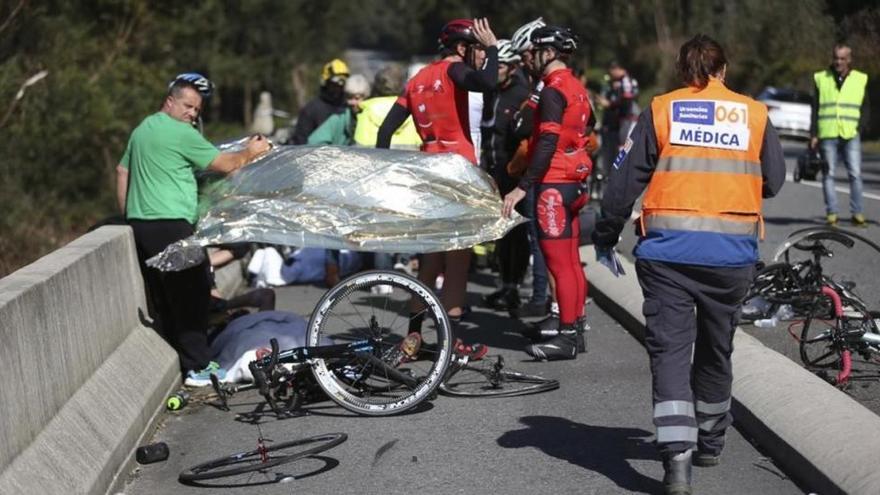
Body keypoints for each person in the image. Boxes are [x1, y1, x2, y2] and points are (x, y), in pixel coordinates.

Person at [592, 34, 785, 494]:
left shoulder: (661, 109)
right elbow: (774, 182)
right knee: (717, 350)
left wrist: (604, 235)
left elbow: (621, 184)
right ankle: (712, 442)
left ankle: (677, 463)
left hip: (667, 257)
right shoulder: (754, 114)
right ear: (724, 69)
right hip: (731, 259)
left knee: (671, 357)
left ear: (684, 70)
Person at [116, 74, 270, 386]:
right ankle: (198, 367)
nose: (192, 114)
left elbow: (122, 171)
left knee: (170, 296)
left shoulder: (143, 129)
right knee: (191, 295)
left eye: (197, 110)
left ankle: (191, 359)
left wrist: (127, 215)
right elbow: (225, 164)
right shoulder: (180, 133)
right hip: (171, 224)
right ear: (169, 101)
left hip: (144, 223)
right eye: (188, 106)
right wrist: (252, 152)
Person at [377, 18, 498, 357]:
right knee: (458, 260)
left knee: (431, 258)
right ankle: (454, 341)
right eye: (472, 48)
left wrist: (385, 173)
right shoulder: (454, 71)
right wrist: (492, 49)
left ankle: (413, 336)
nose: (476, 55)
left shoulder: (417, 79)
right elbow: (488, 82)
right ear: (462, 48)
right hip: (457, 173)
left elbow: (385, 131)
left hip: (428, 172)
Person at [501, 25, 593, 361]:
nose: (532, 56)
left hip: (555, 185)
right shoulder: (577, 87)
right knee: (570, 261)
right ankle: (576, 328)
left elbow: (548, 140)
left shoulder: (553, 89)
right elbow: (590, 125)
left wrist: (523, 187)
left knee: (559, 265)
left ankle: (566, 336)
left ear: (548, 52)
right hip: (575, 182)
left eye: (536, 50)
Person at [479, 39, 532, 316]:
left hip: (515, 174)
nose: (494, 70)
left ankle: (513, 287)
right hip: (494, 170)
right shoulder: (491, 91)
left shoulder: (521, 93)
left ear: (512, 68)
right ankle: (505, 283)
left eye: (498, 65)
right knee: (502, 234)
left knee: (516, 234)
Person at [507, 17, 554, 322]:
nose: (524, 62)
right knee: (540, 238)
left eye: (526, 55)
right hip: (540, 167)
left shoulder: (544, 84)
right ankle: (548, 303)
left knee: (544, 239)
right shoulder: (537, 82)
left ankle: (544, 301)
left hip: (545, 171)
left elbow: (522, 124)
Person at [810, 42, 870, 227]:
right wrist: (813, 133)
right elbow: (815, 107)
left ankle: (857, 214)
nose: (838, 62)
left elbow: (866, 107)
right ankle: (832, 214)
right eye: (836, 58)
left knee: (855, 174)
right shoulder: (821, 78)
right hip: (828, 132)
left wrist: (860, 127)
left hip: (851, 133)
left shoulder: (860, 78)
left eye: (842, 58)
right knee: (829, 174)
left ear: (849, 60)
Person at [287, 58, 350, 145]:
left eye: (341, 84)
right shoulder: (311, 110)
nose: (337, 88)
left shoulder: (348, 108)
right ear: (325, 83)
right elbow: (300, 143)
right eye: (334, 84)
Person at [597, 61, 640, 173]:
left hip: (628, 119)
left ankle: (623, 170)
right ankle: (620, 170)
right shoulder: (620, 81)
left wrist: (610, 104)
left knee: (624, 146)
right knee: (620, 146)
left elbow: (626, 101)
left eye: (611, 71)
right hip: (623, 120)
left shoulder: (626, 81)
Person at [307, 74, 371, 146]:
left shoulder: (373, 118)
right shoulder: (338, 118)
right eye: (349, 98)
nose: (352, 102)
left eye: (357, 98)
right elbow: (314, 142)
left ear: (366, 98)